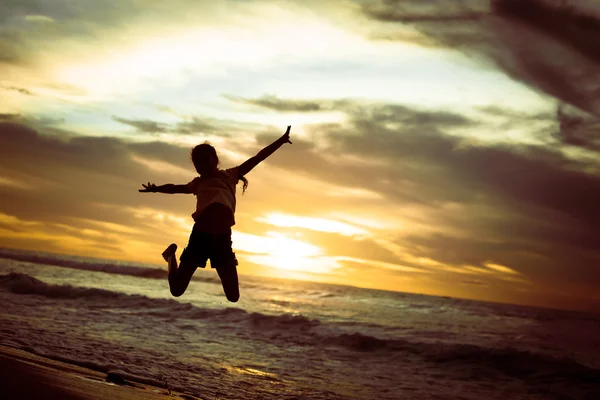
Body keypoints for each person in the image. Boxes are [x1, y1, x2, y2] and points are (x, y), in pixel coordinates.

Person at [139, 126, 292, 302]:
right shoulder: (198, 183)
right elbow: (175, 188)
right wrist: (156, 189)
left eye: (206, 160)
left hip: (222, 240)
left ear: (215, 159)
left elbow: (258, 157)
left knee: (233, 296)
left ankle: (171, 256)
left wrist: (280, 141)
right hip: (200, 237)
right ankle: (170, 256)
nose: (202, 165)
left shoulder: (231, 175)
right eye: (198, 163)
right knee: (176, 289)